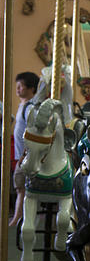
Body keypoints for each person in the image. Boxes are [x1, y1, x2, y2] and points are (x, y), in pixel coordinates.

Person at [9, 71, 39, 226]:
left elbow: (32, 132)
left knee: (22, 188)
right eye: (17, 86)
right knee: (20, 187)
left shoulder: (30, 108)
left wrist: (25, 153)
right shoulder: (23, 106)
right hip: (20, 154)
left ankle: (18, 218)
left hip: (25, 156)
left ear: (31, 88)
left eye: (21, 86)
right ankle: (19, 217)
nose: (18, 89)